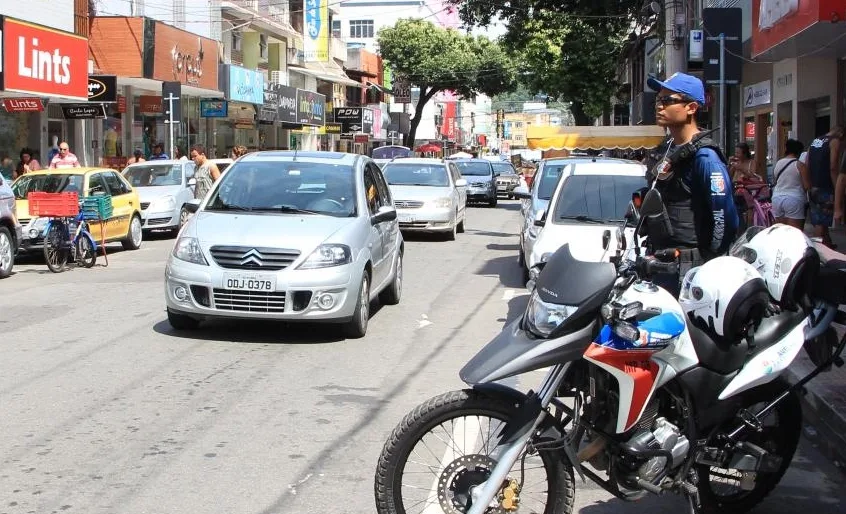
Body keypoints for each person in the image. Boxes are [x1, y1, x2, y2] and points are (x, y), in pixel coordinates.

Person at [646, 72, 740, 296]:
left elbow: (725, 218)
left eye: (668, 100)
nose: (660, 106)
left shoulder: (706, 158)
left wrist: (708, 258)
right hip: (661, 264)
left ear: (692, 108)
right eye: (658, 100)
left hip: (691, 271)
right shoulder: (667, 149)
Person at [807, 126, 843, 248]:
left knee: (821, 219)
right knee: (821, 222)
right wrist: (837, 186)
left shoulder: (815, 141)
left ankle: (827, 244)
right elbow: (833, 166)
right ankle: (819, 250)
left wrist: (809, 184)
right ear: (841, 134)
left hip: (814, 186)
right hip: (826, 186)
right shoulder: (835, 141)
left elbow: (807, 162)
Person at [770, 139, 808, 230]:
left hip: (777, 198)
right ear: (799, 152)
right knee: (794, 233)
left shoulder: (778, 163)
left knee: (780, 232)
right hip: (794, 199)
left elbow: (775, 181)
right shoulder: (800, 165)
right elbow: (807, 185)